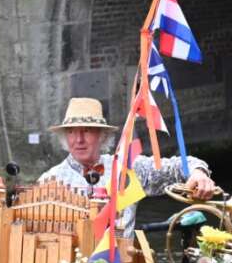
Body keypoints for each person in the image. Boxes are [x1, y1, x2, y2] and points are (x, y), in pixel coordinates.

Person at [38, 97, 216, 238]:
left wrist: (198, 173)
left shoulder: (127, 168)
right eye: (71, 132)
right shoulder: (48, 181)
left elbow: (179, 166)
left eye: (87, 130)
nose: (79, 140)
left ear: (102, 135)